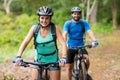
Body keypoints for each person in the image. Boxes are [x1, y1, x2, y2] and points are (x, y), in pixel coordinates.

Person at [14, 6, 67, 80]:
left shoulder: (55, 28)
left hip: (53, 60)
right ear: (39, 18)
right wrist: (18, 56)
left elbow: (63, 43)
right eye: (42, 18)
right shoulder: (35, 29)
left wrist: (64, 57)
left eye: (47, 18)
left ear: (50, 18)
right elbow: (25, 42)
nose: (44, 21)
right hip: (39, 60)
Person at [63, 6, 99, 80]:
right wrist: (64, 44)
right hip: (71, 47)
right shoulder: (68, 23)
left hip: (81, 46)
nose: (76, 15)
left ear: (80, 14)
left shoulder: (84, 23)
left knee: (87, 59)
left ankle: (85, 72)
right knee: (69, 67)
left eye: (78, 14)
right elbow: (65, 34)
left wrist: (94, 40)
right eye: (74, 14)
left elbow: (89, 31)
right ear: (72, 14)